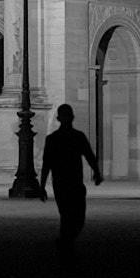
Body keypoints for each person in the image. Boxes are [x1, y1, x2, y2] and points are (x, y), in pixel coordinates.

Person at [40, 104, 103, 261]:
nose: (67, 118)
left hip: (73, 183)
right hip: (63, 184)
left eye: (69, 115)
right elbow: (46, 164)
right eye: (65, 115)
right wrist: (41, 186)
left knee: (78, 218)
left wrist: (97, 172)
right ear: (60, 118)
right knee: (69, 217)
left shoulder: (75, 137)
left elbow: (89, 155)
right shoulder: (55, 139)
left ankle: (65, 242)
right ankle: (67, 248)